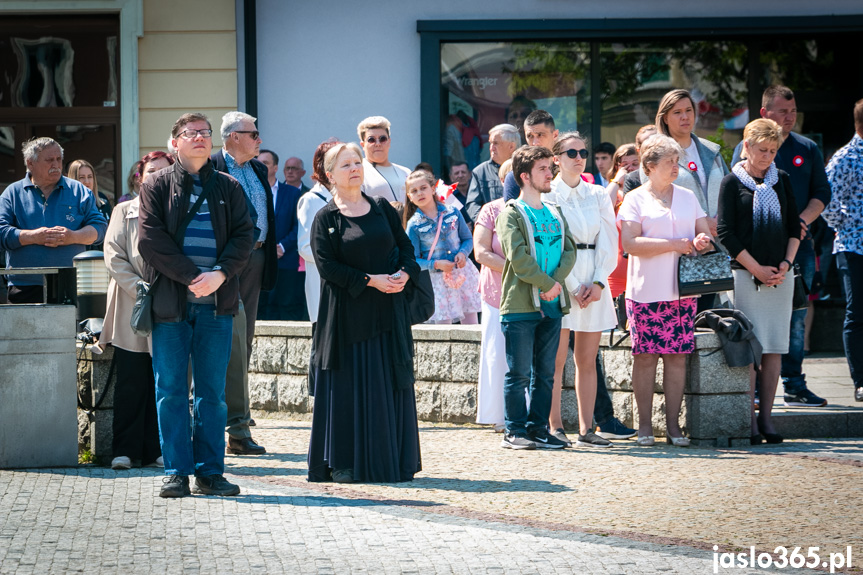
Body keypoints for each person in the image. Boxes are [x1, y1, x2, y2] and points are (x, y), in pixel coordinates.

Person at [137, 112, 254, 497]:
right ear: (175, 142)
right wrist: (192, 276)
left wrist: (219, 275)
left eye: (206, 133)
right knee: (170, 390)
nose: (201, 138)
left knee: (212, 394)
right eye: (192, 133)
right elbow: (151, 240)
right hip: (171, 306)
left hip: (217, 306)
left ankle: (210, 473)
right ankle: (175, 471)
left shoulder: (229, 187)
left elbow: (244, 236)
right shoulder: (155, 185)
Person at [307, 142, 422, 483]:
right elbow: (328, 268)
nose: (355, 168)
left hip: (388, 315)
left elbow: (405, 248)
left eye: (357, 162)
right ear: (330, 175)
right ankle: (343, 462)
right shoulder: (325, 218)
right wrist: (371, 281)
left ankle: (392, 461)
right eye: (345, 165)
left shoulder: (383, 209)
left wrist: (404, 273)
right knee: (347, 389)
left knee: (386, 385)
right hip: (346, 320)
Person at [732, 85, 832, 408]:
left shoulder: (808, 148)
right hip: (756, 252)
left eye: (793, 111)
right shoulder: (745, 149)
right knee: (756, 323)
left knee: (797, 316)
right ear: (764, 113)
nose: (790, 117)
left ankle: (794, 382)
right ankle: (759, 389)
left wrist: (801, 220)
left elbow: (821, 193)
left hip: (797, 246)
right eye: (782, 111)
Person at [618, 134, 714, 447]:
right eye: (669, 162)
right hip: (646, 291)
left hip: (683, 291)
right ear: (649, 166)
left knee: (677, 359)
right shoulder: (635, 199)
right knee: (645, 358)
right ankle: (645, 426)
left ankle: (674, 427)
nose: (676, 167)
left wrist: (701, 242)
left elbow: (704, 235)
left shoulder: (688, 196)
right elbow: (630, 244)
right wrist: (673, 244)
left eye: (677, 161)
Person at [718, 119, 800, 445]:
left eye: (773, 150)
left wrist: (785, 264)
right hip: (745, 275)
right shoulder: (729, 182)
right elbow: (726, 233)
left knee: (775, 347)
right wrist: (756, 269)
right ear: (747, 146)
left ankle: (767, 418)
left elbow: (795, 229)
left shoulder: (782, 180)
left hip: (781, 275)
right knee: (752, 347)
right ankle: (749, 420)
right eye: (762, 150)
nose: (767, 157)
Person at [495, 145, 576, 450]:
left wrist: (553, 285)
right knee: (519, 373)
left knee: (545, 373)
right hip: (519, 306)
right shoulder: (511, 214)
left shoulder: (555, 211)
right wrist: (545, 283)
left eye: (549, 167)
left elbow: (569, 250)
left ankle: (537, 429)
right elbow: (518, 258)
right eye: (543, 169)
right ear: (524, 176)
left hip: (552, 304)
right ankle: (514, 431)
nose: (550, 173)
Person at [101, 151, 175, 470]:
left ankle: (156, 449)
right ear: (139, 177)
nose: (158, 177)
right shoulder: (123, 210)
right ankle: (125, 450)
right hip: (131, 306)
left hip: (168, 305)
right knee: (131, 380)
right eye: (152, 171)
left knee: (162, 380)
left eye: (165, 171)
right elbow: (113, 254)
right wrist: (140, 287)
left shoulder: (177, 211)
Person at [547, 132, 619, 448]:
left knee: (588, 360)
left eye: (583, 152)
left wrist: (600, 281)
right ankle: (554, 426)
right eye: (571, 152)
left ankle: (587, 429)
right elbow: (553, 243)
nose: (579, 158)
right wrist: (574, 285)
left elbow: (610, 240)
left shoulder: (599, 194)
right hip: (563, 278)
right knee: (556, 359)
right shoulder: (548, 194)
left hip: (595, 275)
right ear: (556, 158)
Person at [210, 111, 276, 456]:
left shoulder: (257, 169)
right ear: (233, 135)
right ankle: (232, 427)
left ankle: (238, 428)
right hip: (224, 266)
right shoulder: (211, 167)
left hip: (257, 259)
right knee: (227, 346)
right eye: (253, 134)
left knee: (244, 343)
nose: (259, 140)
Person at [0, 137, 107, 303]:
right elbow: (1, 233)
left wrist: (73, 236)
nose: (56, 165)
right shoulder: (12, 193)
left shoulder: (78, 190)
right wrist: (32, 236)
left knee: (70, 330)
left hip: (71, 283)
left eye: (58, 159)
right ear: (30, 164)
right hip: (25, 285)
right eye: (49, 160)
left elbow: (100, 228)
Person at [824, 98, 863, 403]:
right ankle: (860, 380)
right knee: (857, 313)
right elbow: (827, 201)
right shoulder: (845, 157)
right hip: (853, 247)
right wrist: (846, 225)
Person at [404, 169, 480, 325]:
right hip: (435, 281)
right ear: (409, 197)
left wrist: (463, 254)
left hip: (461, 273)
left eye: (423, 188)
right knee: (443, 326)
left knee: (471, 322)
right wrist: (436, 264)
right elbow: (413, 260)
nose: (420, 193)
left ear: (433, 189)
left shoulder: (453, 212)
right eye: (414, 191)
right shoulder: (413, 225)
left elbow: (467, 239)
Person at [297, 139, 340, 395]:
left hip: (343, 280)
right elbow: (305, 246)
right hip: (322, 280)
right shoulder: (311, 200)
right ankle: (319, 394)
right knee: (321, 340)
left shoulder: (348, 196)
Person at [257, 149, 306, 321]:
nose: (260, 166)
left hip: (286, 260)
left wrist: (282, 246)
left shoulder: (292, 193)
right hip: (259, 260)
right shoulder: (249, 192)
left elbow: (299, 226)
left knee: (287, 306)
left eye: (265, 163)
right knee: (261, 307)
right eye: (257, 162)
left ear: (276, 167)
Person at [465, 124, 520, 222]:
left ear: (511, 146)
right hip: (491, 232)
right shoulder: (480, 172)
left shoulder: (526, 169)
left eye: (496, 143)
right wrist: (487, 224)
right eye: (490, 143)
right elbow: (472, 204)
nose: (491, 148)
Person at [357, 116, 411, 203]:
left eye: (382, 139)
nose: (378, 144)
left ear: (389, 141)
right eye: (371, 140)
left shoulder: (405, 172)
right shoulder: (358, 171)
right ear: (363, 144)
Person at [67, 159, 112, 225]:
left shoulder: (103, 201)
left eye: (90, 177)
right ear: (73, 179)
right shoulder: (65, 204)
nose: (87, 181)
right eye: (81, 177)